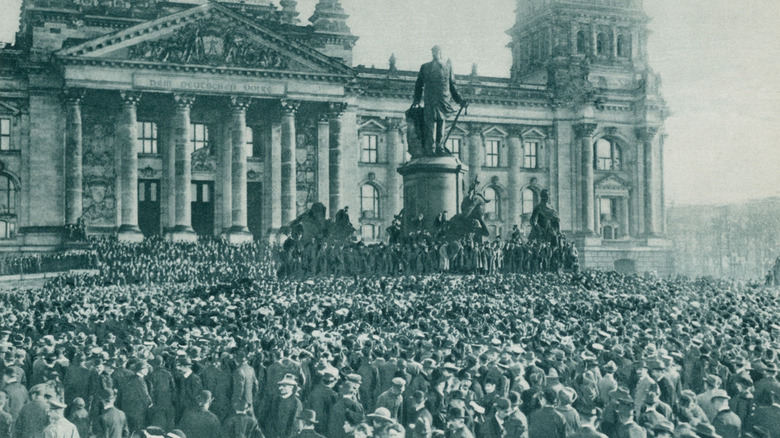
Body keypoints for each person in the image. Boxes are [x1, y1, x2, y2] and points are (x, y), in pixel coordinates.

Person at [412, 45, 467, 156]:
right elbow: (419, 84)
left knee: (441, 122)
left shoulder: (447, 66)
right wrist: (417, 99)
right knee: (430, 123)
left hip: (443, 98)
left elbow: (452, 85)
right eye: (433, 51)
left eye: (437, 51)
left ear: (441, 52)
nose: (435, 53)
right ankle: (430, 148)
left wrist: (460, 100)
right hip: (430, 99)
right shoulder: (425, 67)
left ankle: (439, 147)